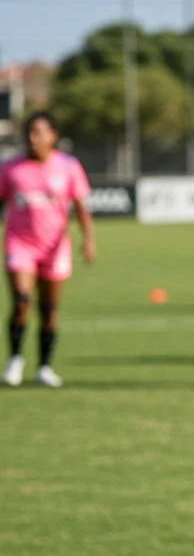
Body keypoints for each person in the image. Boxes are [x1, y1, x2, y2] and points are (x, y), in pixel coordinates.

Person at [0, 112, 94, 388]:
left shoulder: (68, 166)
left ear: (53, 135)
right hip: (20, 245)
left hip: (55, 248)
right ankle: (15, 359)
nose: (33, 138)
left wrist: (88, 240)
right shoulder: (10, 168)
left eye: (39, 132)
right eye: (30, 132)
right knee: (21, 302)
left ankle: (44, 366)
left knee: (49, 309)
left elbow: (80, 207)